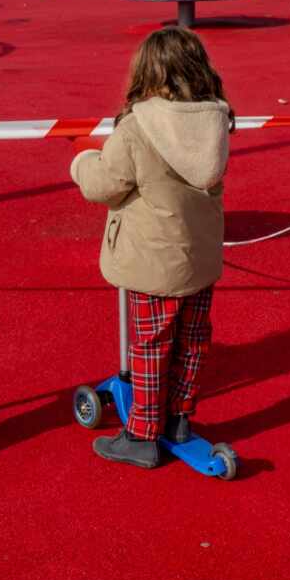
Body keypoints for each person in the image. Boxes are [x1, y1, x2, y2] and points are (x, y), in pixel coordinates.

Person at [69, 27, 233, 469]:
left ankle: (141, 432)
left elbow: (105, 185)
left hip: (154, 258)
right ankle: (179, 419)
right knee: (193, 340)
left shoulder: (137, 126)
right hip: (199, 255)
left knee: (150, 344)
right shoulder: (216, 120)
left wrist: (82, 160)